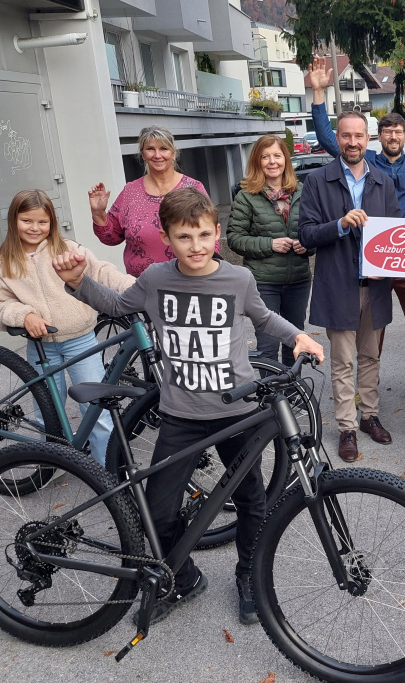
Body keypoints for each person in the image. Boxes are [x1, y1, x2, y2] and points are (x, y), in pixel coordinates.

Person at [53, 187, 325, 625]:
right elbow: (117, 304)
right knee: (159, 510)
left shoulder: (238, 280)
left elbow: (263, 317)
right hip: (180, 415)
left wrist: (298, 336)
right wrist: (77, 283)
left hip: (236, 412)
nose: (195, 246)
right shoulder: (156, 280)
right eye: (183, 237)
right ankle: (184, 577)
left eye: (202, 235)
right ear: (166, 238)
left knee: (252, 500)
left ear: (217, 233)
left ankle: (248, 575)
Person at [308, 58, 405, 409]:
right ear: (379, 136)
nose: (393, 136)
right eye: (387, 131)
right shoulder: (367, 161)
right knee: (371, 327)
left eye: (398, 131)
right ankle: (364, 384)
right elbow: (330, 138)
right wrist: (318, 95)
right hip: (369, 257)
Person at [0, 189, 135, 466]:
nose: (35, 228)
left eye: (42, 222)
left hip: (81, 340)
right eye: (27, 221)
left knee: (97, 409)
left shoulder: (68, 250)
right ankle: (51, 462)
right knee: (48, 412)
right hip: (40, 346)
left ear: (52, 222)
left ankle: (108, 471)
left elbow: (102, 271)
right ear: (13, 221)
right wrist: (24, 314)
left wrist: (136, 289)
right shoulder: (5, 264)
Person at [298, 110, 402, 463]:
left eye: (359, 136)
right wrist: (340, 224)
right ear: (337, 138)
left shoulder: (383, 182)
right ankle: (347, 427)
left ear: (368, 138)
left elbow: (395, 235)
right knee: (342, 361)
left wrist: (386, 266)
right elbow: (306, 235)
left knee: (371, 357)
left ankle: (369, 415)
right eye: (346, 136)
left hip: (374, 286)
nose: (353, 142)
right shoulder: (317, 181)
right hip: (338, 284)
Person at [227, 134, 314, 366]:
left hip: (298, 280)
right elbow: (234, 238)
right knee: (268, 345)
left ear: (286, 159)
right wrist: (269, 244)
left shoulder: (302, 191)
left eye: (277, 155)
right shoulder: (246, 196)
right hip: (263, 283)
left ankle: (292, 399)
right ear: (257, 161)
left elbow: (313, 231)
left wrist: (307, 245)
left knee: (294, 342)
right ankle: (271, 400)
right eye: (265, 157)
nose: (272, 161)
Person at [89, 126, 213, 276]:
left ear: (173, 153)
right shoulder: (130, 191)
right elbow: (112, 238)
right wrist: (98, 213)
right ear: (142, 154)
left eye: (163, 149)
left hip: (186, 282)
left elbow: (209, 237)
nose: (157, 155)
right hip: (142, 286)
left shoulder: (193, 188)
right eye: (150, 149)